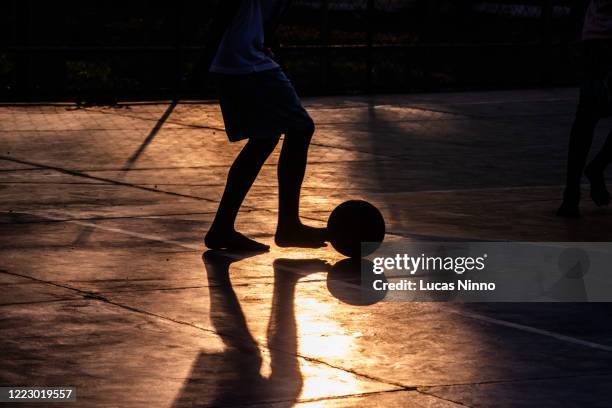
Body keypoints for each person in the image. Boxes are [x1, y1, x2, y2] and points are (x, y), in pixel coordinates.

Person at [201, 0, 327, 251]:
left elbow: (266, 16)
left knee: (264, 138)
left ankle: (222, 228)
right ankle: (288, 225)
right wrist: (205, 61)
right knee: (300, 128)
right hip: (243, 61)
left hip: (241, 58)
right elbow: (225, 11)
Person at [558, 0, 612, 217]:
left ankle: (573, 191)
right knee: (586, 118)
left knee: (585, 119)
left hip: (597, 40)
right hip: (600, 42)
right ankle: (573, 190)